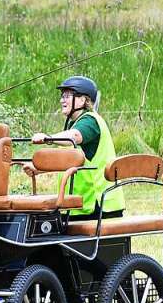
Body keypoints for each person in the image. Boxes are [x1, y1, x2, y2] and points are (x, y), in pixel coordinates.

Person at [28, 76, 124, 220]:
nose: (62, 100)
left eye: (67, 95)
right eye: (62, 96)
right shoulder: (73, 123)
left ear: (82, 100)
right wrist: (40, 168)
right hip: (80, 204)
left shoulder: (90, 121)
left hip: (98, 204)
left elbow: (75, 136)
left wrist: (48, 138)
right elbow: (69, 159)